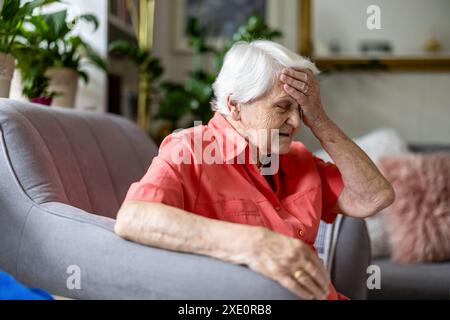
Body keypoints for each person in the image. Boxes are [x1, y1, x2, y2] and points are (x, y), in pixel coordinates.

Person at [114, 40, 395, 300]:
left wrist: (319, 119)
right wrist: (257, 243)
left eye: (300, 109)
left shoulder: (296, 157)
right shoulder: (190, 149)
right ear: (235, 106)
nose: (296, 122)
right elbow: (134, 217)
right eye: (283, 107)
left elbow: (374, 197)